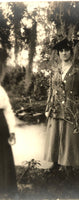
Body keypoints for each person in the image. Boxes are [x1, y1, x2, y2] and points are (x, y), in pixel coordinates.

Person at [44, 38, 79, 173]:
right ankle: (55, 163)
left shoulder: (78, 70)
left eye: (66, 50)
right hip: (55, 107)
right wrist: (47, 108)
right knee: (55, 135)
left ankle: (67, 164)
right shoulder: (55, 70)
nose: (64, 53)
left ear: (71, 52)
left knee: (69, 138)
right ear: (58, 54)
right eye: (61, 51)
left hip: (71, 107)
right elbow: (51, 89)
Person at [0, 49, 18, 198]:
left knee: (4, 158)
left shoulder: (0, 91)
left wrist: (12, 130)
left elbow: (8, 111)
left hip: (1, 127)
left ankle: (6, 189)